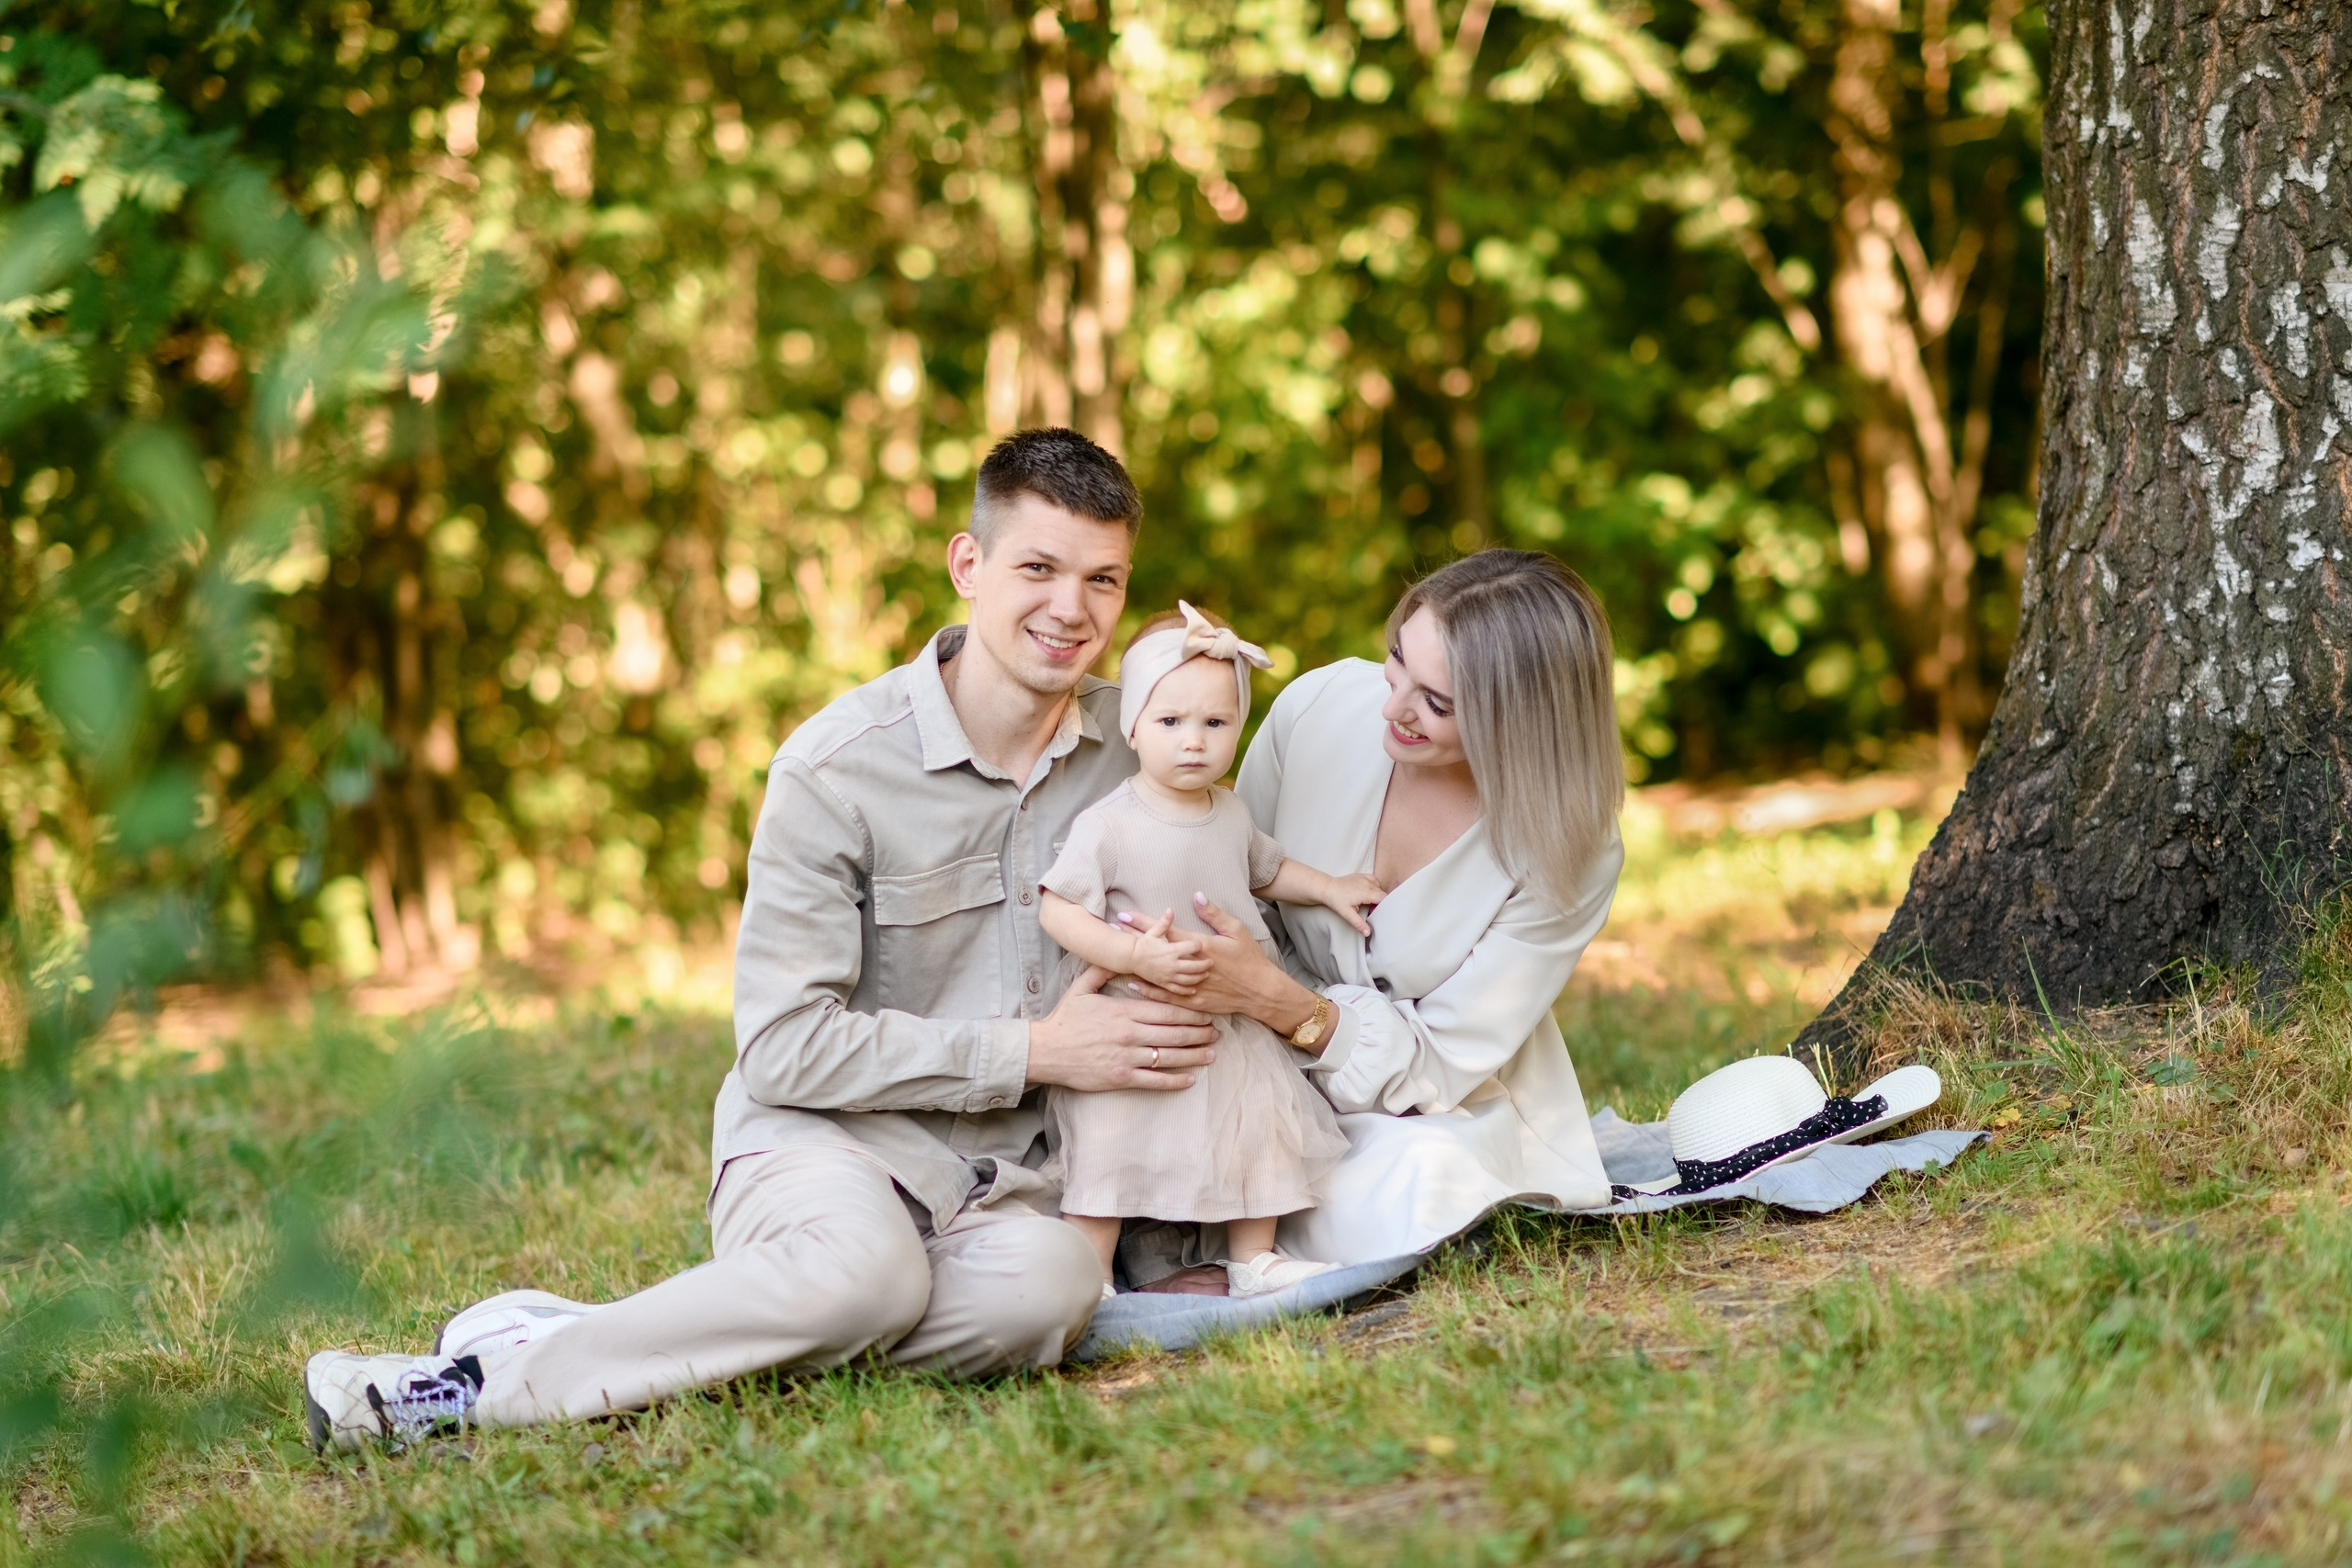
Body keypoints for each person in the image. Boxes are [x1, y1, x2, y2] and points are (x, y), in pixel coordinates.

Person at [300, 429, 1224, 1451]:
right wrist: (1037, 1053)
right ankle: (472, 1387)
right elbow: (783, 1045)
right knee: (867, 1278)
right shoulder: (835, 768)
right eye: (1038, 568)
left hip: (1004, 1183)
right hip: (824, 1138)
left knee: (1050, 1294)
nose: (1072, 610)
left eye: (1103, 579)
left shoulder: (1144, 751)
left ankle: (616, 1340)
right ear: (968, 565)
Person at [1112, 550, 1625, 1266]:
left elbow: (1440, 1064)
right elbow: (1217, 867)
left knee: (1424, 1186)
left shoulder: (1569, 849)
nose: (1393, 707)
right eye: (1395, 661)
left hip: (1413, 1108)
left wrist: (1283, 1003)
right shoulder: (1319, 707)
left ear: (1521, 721)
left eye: (1436, 703)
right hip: (1235, 1053)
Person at [1035, 604, 1382, 1299]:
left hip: (1230, 1024)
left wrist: (1332, 888)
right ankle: (1090, 1273)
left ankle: (1254, 1258)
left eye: (1216, 723)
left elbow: (1269, 869)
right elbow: (1059, 906)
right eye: (1170, 722)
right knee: (1112, 1139)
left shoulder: (1231, 811)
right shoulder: (1110, 822)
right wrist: (1131, 957)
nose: (1193, 742)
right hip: (1136, 1017)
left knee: (1254, 1129)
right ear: (1133, 724)